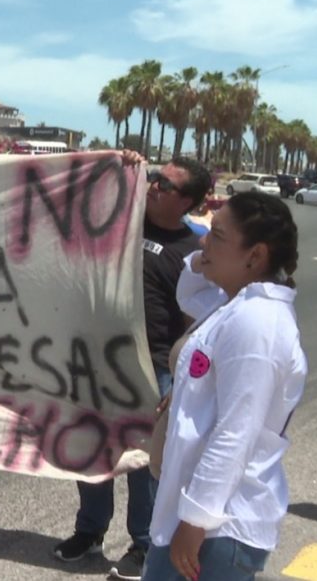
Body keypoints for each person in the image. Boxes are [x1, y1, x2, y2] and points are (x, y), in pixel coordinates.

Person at [54, 155, 213, 581]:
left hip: (152, 370)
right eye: (155, 177)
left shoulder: (193, 254)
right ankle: (89, 531)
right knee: (92, 451)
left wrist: (180, 379)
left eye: (166, 184)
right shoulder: (122, 221)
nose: (155, 186)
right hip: (98, 361)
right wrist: (123, 164)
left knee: (143, 463)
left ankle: (142, 543)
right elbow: (76, 196)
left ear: (190, 202)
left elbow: (196, 320)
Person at [143, 192, 305, 581]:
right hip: (201, 522)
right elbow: (189, 291)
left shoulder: (258, 323)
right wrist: (206, 256)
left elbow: (237, 431)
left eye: (216, 235)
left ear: (255, 256)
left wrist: (195, 523)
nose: (202, 241)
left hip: (217, 530)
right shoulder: (235, 304)